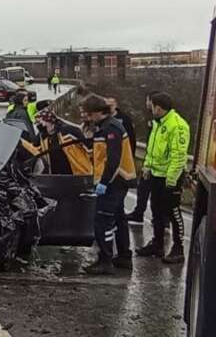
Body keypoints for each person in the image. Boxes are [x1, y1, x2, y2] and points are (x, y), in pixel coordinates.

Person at [79, 95, 137, 275]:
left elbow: (113, 160)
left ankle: (105, 259)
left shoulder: (111, 129)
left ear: (97, 112)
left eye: (88, 113)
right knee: (119, 218)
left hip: (115, 181)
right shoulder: (104, 127)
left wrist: (104, 182)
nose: (86, 117)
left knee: (103, 219)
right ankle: (124, 256)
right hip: (118, 180)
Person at [135, 92, 190, 264]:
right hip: (156, 175)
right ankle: (157, 244)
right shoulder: (159, 124)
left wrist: (172, 180)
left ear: (158, 107)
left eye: (152, 105)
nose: (150, 108)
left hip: (170, 177)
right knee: (156, 211)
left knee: (173, 212)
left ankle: (178, 248)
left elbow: (178, 156)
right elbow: (152, 150)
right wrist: (147, 168)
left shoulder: (177, 125)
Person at [126, 91, 161, 225]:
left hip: (157, 165)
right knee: (143, 190)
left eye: (148, 100)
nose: (146, 103)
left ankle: (160, 220)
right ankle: (139, 213)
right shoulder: (150, 117)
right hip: (150, 161)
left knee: (155, 195)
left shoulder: (161, 121)